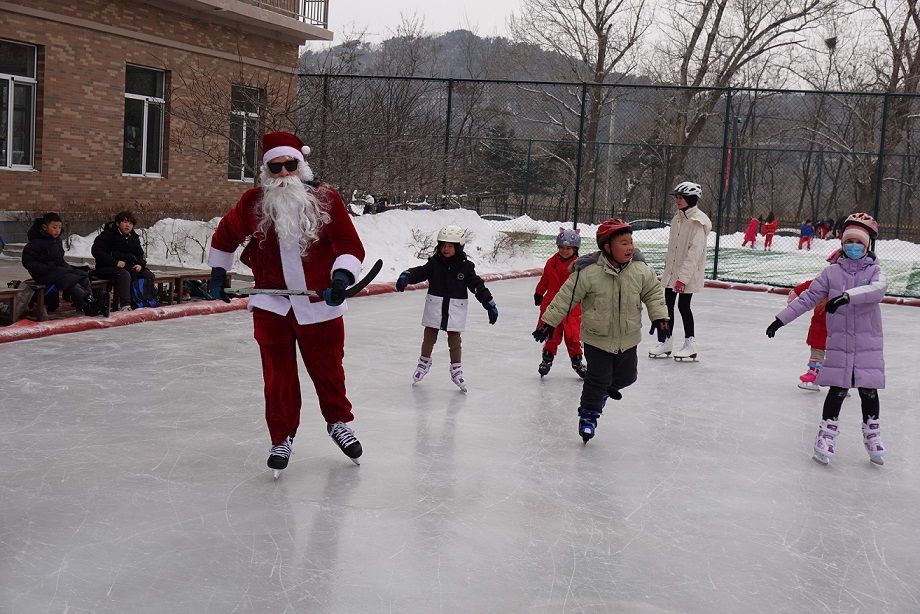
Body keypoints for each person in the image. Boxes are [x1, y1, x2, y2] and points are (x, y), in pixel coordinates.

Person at [208, 131, 366, 475]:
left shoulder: (326, 198)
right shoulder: (253, 203)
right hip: (271, 305)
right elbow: (225, 237)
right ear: (265, 170)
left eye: (289, 165)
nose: (283, 174)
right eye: (275, 167)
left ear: (301, 165)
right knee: (277, 376)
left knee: (328, 369)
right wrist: (218, 274)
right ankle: (281, 437)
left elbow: (348, 244)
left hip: (319, 303)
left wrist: (341, 278)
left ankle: (338, 422)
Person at [766, 213, 887, 466]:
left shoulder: (875, 271)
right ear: (842, 244)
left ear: (867, 246)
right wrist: (780, 319)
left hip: (867, 344)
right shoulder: (831, 273)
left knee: (868, 390)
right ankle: (826, 436)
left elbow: (877, 290)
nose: (853, 246)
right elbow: (808, 298)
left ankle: (872, 436)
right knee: (837, 389)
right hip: (839, 343)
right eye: (849, 242)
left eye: (859, 243)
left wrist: (846, 297)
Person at [533, 218, 668, 443]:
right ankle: (588, 415)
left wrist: (660, 316)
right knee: (597, 378)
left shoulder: (640, 270)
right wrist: (549, 321)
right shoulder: (589, 272)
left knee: (628, 376)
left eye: (631, 242)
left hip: (628, 337)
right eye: (623, 243)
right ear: (607, 247)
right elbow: (566, 297)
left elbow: (653, 294)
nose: (630, 247)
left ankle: (603, 393)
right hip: (597, 338)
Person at [395, 225, 498, 392]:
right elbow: (421, 272)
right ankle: (424, 362)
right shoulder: (434, 263)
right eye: (443, 245)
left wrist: (489, 303)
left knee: (454, 340)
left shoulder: (466, 267)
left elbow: (477, 286)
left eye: (450, 246)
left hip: (454, 309)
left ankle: (456, 368)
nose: (446, 249)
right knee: (429, 336)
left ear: (458, 247)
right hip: (435, 306)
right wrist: (407, 275)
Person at [649, 181, 712, 361]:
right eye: (676, 197)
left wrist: (682, 279)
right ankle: (666, 341)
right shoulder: (677, 218)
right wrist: (668, 269)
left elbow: (694, 254)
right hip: (672, 273)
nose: (677, 200)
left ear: (691, 199)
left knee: (683, 306)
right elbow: (673, 249)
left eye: (681, 197)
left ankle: (690, 344)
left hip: (687, 275)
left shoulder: (697, 222)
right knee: (667, 306)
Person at [21, 212, 109, 317]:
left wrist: (71, 268)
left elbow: (59, 260)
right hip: (43, 274)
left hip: (57, 271)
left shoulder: (56, 241)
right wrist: (47, 267)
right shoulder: (35, 243)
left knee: (83, 275)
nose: (57, 230)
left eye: (59, 227)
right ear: (44, 227)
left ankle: (87, 304)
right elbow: (28, 262)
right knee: (70, 281)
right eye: (54, 227)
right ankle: (91, 304)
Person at [534, 228, 586, 378]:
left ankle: (577, 362)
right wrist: (539, 292)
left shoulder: (579, 265)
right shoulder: (551, 262)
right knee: (551, 335)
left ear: (575, 249)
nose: (564, 251)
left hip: (572, 308)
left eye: (568, 248)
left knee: (573, 338)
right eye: (562, 247)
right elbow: (545, 280)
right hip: (552, 306)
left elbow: (585, 285)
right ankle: (546, 360)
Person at [91, 210, 157, 311]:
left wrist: (140, 264)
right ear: (118, 223)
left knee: (148, 275)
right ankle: (125, 304)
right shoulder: (108, 235)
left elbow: (140, 253)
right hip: (107, 267)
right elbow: (97, 251)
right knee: (124, 275)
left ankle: (145, 300)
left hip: (128, 266)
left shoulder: (133, 237)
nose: (127, 225)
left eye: (130, 223)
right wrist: (115, 262)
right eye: (125, 222)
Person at [786, 279, 828, 391]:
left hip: (840, 327)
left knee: (839, 355)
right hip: (820, 326)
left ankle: (840, 382)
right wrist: (795, 292)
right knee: (817, 350)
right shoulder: (826, 278)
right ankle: (813, 374)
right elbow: (811, 284)